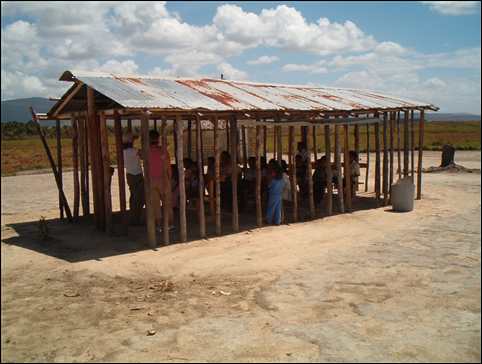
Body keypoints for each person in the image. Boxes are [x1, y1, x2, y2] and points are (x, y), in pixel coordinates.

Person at [148, 129, 173, 231]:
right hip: (163, 179)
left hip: (151, 180)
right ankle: (169, 224)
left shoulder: (146, 151)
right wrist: (169, 178)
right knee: (167, 203)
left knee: (155, 204)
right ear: (158, 139)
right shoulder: (163, 151)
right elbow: (168, 167)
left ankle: (158, 225)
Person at [122, 132, 145, 225]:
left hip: (129, 175)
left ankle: (133, 216)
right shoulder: (133, 151)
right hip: (136, 175)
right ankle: (136, 218)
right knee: (139, 198)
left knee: (133, 196)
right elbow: (143, 156)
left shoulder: (123, 151)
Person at [266, 161, 285, 225]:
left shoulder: (273, 174)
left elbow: (269, 184)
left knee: (271, 207)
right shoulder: (281, 175)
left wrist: (268, 180)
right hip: (279, 193)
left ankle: (268, 220)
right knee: (278, 208)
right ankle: (277, 221)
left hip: (273, 193)